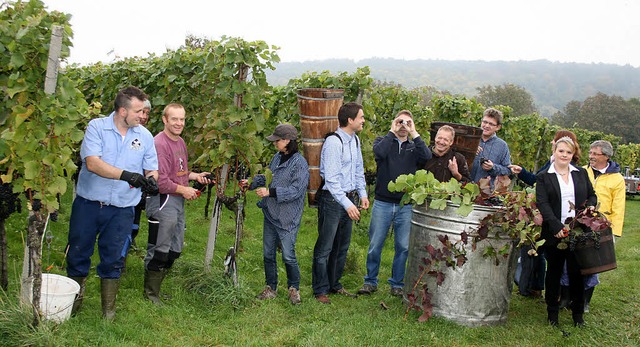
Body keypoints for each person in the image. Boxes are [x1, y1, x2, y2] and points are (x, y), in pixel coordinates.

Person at [66, 86, 158, 320]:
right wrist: (127, 175)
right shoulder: (97, 127)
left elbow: (151, 167)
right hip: (89, 204)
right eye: (138, 111)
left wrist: (151, 180)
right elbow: (93, 163)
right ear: (121, 110)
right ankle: (73, 306)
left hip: (122, 209)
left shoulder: (144, 136)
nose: (142, 115)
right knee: (78, 252)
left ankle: (108, 312)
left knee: (114, 256)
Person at [143, 103, 212, 305]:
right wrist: (185, 190)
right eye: (174, 119)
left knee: (175, 248)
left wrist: (195, 177)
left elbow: (179, 173)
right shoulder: (159, 144)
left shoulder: (180, 142)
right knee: (159, 248)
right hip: (163, 201)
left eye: (182, 119)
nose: (179, 123)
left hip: (177, 200)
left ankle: (157, 288)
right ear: (165, 119)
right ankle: (150, 294)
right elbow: (161, 181)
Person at [357, 111, 431, 297]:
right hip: (382, 202)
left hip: (405, 205)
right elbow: (379, 153)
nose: (403, 125)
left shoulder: (415, 147)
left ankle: (397, 284)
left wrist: (414, 133)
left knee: (403, 247)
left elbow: (427, 157)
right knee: (375, 244)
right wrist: (392, 131)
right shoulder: (383, 142)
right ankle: (370, 281)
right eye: (400, 121)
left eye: (407, 122)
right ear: (394, 123)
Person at [508, 130, 581, 299]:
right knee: (539, 252)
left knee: (554, 258)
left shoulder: (575, 171)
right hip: (545, 216)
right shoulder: (549, 164)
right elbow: (537, 181)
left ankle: (559, 295)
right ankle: (537, 288)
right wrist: (522, 172)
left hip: (556, 219)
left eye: (555, 142)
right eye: (557, 147)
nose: (552, 144)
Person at [312, 102, 370, 304]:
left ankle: (334, 284)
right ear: (350, 120)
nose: (363, 121)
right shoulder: (334, 143)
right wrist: (347, 204)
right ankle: (320, 289)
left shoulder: (355, 141)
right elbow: (332, 180)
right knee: (325, 247)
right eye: (361, 117)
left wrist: (362, 194)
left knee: (342, 246)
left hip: (350, 198)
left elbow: (358, 170)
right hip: (333, 200)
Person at [536, 136, 597, 327]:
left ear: (573, 154)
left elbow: (591, 195)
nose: (564, 155)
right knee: (553, 273)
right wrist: (556, 227)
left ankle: (578, 315)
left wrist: (592, 207)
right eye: (561, 151)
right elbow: (543, 204)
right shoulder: (544, 176)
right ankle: (552, 315)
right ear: (554, 152)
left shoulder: (580, 173)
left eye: (568, 152)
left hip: (578, 232)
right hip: (555, 233)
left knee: (577, 274)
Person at [251, 124, 309, 305]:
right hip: (271, 213)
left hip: (287, 217)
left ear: (287, 141)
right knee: (268, 254)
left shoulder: (299, 163)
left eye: (277, 140)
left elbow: (296, 190)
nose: (275, 143)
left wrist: (271, 192)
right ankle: (271, 287)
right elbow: (269, 178)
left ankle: (294, 289)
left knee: (288, 255)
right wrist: (252, 182)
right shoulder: (277, 158)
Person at [579, 140, 626, 311]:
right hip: (580, 221)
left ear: (605, 156)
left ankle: (585, 300)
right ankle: (568, 296)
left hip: (600, 226)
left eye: (595, 154)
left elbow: (619, 207)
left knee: (593, 264)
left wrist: (612, 232)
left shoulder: (617, 179)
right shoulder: (583, 171)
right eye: (590, 153)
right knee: (575, 261)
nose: (590, 156)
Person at [129, 99, 153, 252]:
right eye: (141, 112)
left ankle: (128, 245)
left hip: (136, 188)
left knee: (133, 223)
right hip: (120, 187)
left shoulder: (147, 136)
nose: (144, 116)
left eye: (147, 113)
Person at [470, 108, 511, 185]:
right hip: (464, 188)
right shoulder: (470, 139)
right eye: (485, 122)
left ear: (498, 127)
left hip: (486, 192)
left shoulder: (502, 146)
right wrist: (470, 151)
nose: (486, 126)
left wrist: (493, 167)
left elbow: (507, 170)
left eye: (491, 124)